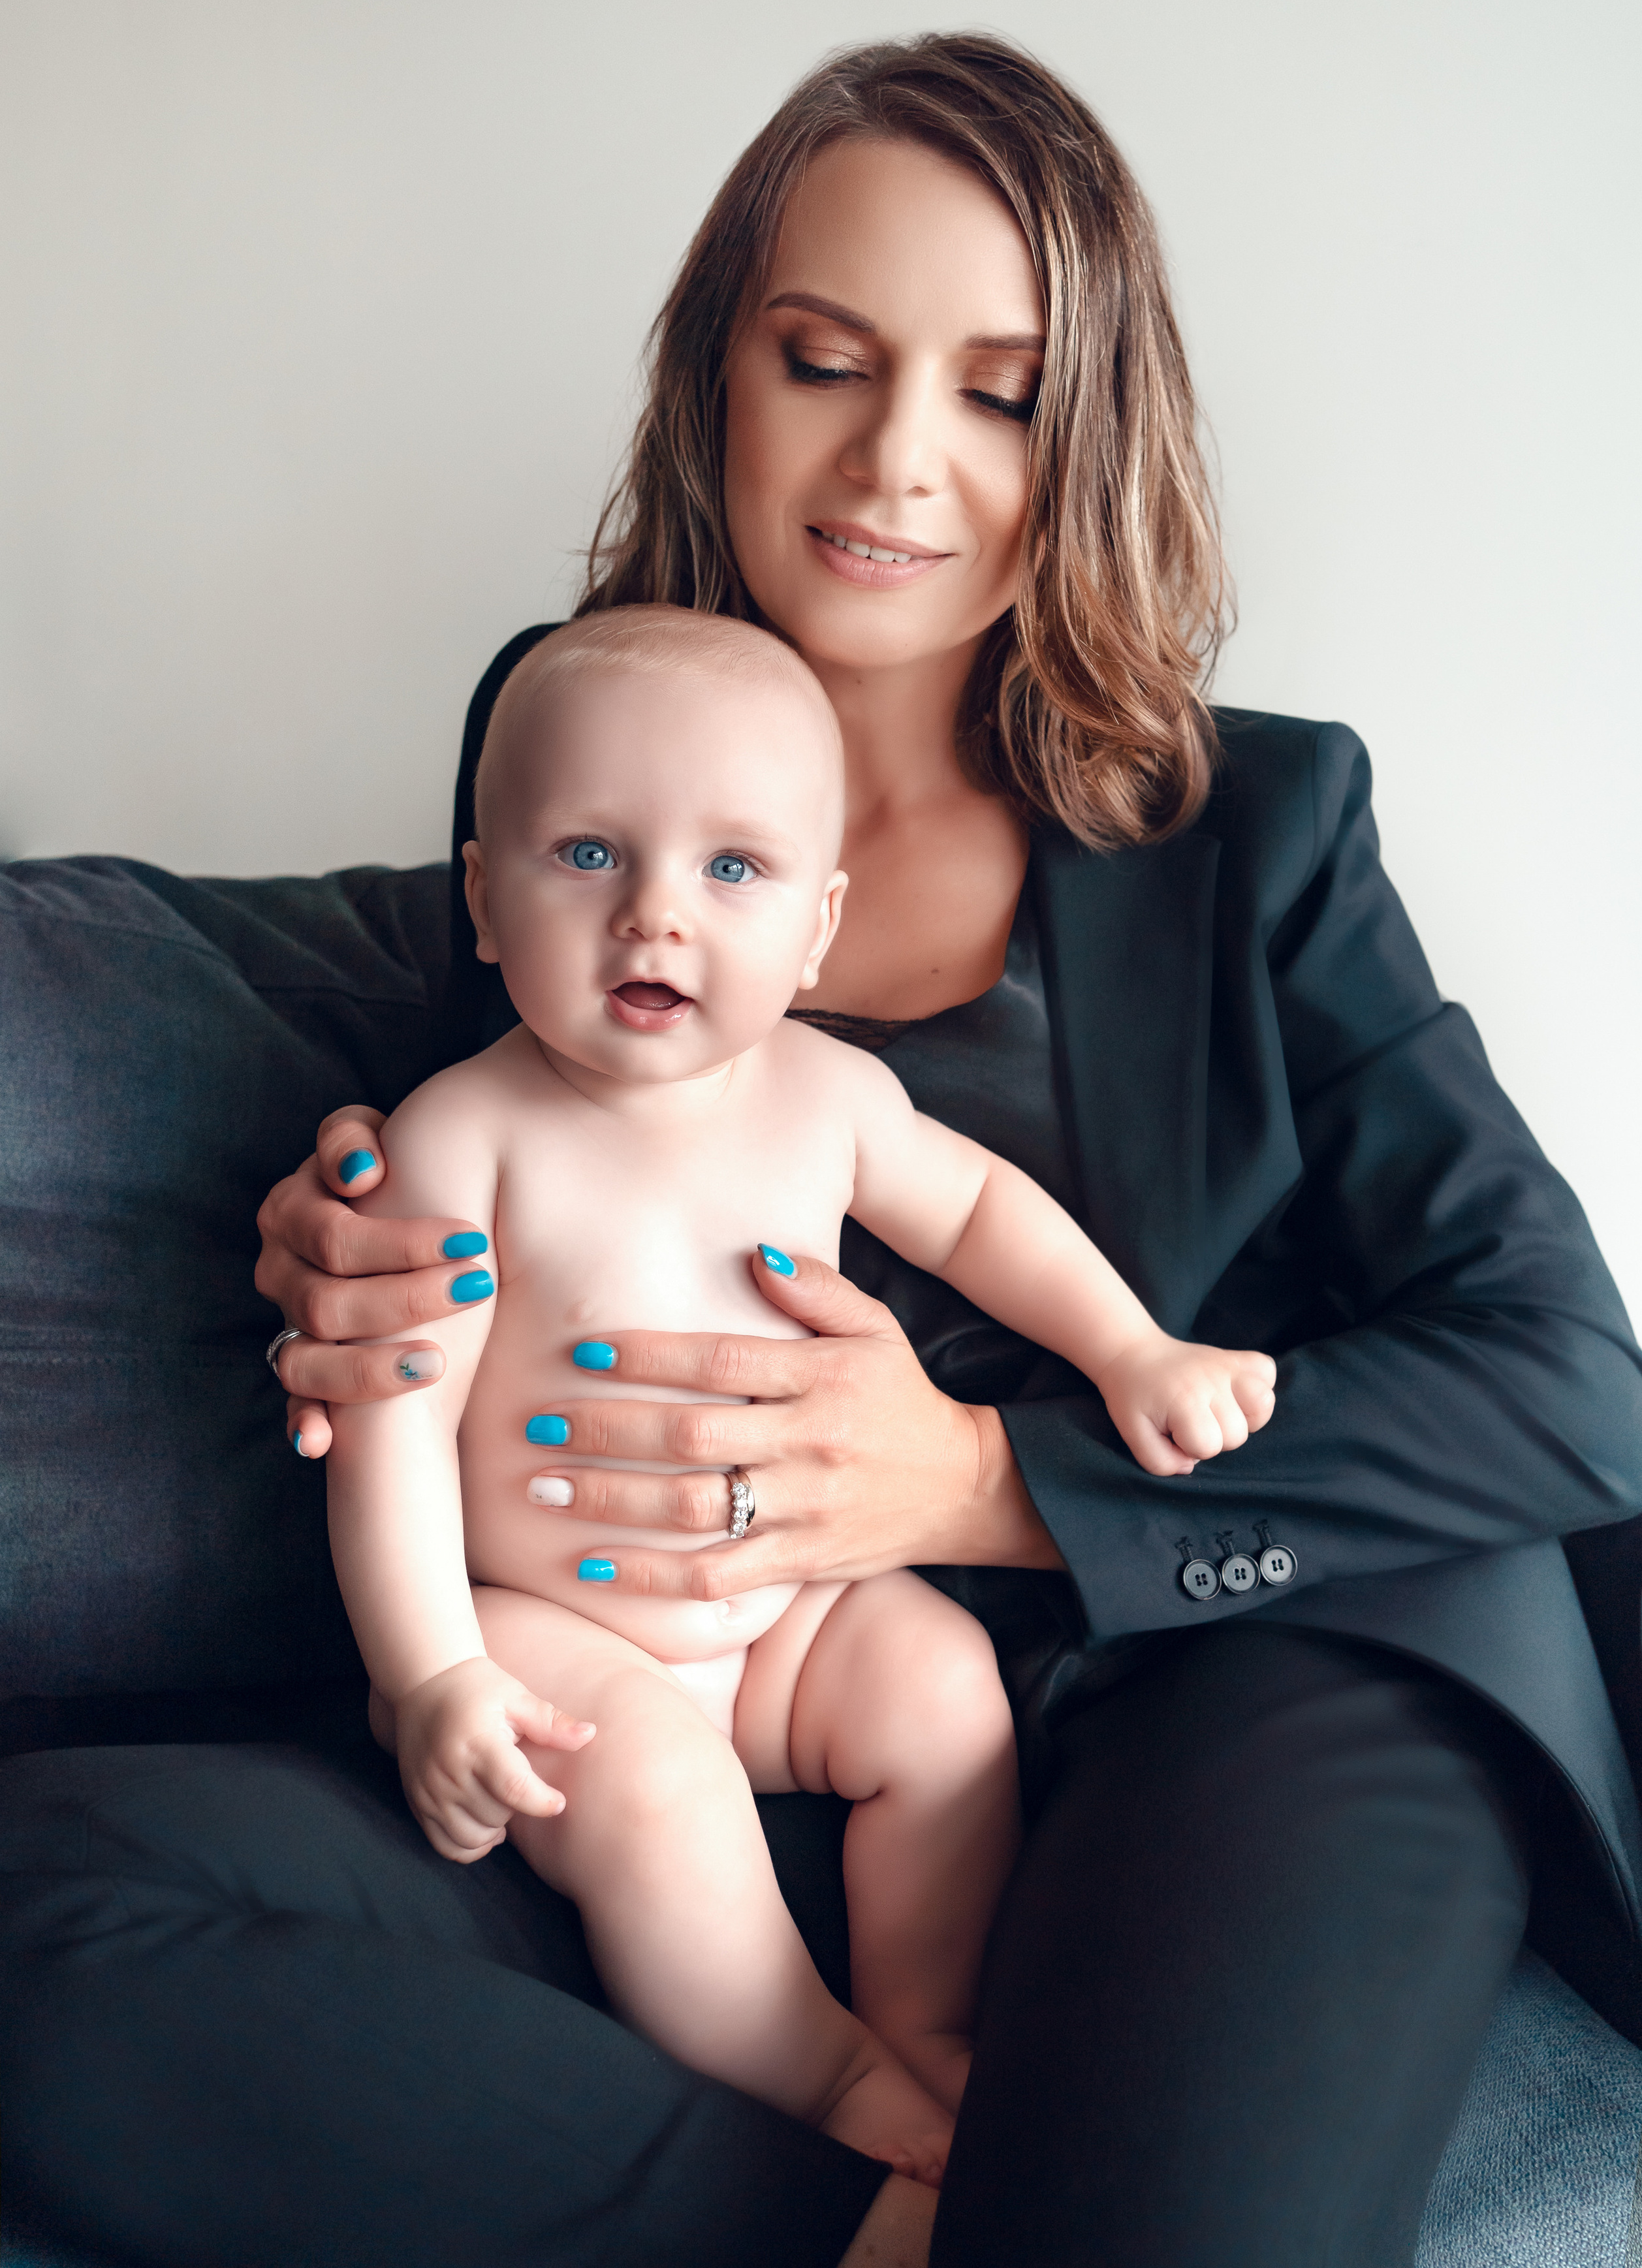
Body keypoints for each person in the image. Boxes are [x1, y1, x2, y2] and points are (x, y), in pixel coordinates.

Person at [0, 33, 1642, 2268]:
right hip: (659, 1720)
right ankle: (837, 2212)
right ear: (721, 383)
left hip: (1234, 1689)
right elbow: (470, 1125)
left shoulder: (1256, 832)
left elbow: (1566, 1384)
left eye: (995, 387)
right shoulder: (584, 723)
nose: (897, 462)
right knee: (47, 1916)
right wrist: (336, 1239)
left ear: (1088, 437)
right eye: (825, 361)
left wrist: (980, 1488)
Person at [325, 604, 1276, 2184]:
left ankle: (926, 2021)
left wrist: (1132, 1351)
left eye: (731, 870)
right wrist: (431, 1674)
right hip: (548, 1627)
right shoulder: (459, 1138)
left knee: (941, 1687)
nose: (655, 919)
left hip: (784, 1620)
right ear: (483, 898)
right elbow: (393, 1433)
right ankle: (826, 2082)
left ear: (818, 928)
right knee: (658, 1790)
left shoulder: (831, 1095)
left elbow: (978, 1217)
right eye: (584, 857)